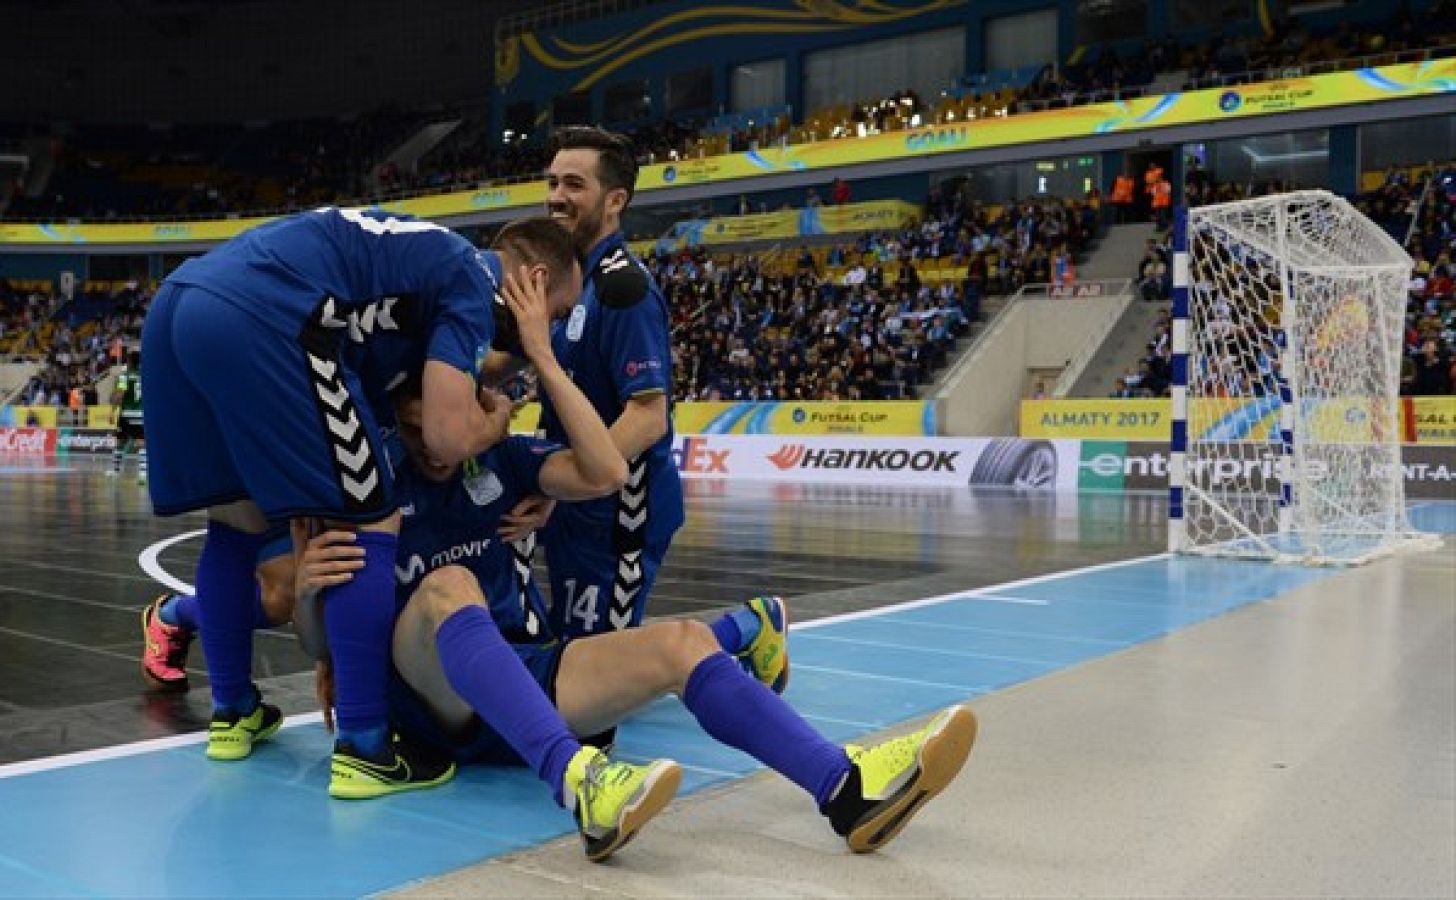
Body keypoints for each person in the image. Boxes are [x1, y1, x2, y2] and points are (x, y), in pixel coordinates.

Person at [297, 377, 975, 858]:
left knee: (680, 641)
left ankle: (844, 788)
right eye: (414, 427)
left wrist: (540, 354)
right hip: (429, 698)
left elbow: (607, 469)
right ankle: (580, 783)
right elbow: (310, 632)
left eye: (444, 423)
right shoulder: (372, 483)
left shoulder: (498, 456)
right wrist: (307, 598)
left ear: (477, 409)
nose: (432, 443)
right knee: (451, 585)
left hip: (519, 673)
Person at [139, 208, 570, 795]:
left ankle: (233, 709)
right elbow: (445, 435)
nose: (555, 328)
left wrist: (338, 647)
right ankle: (366, 747)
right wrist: (494, 428)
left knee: (235, 520)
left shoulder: (415, 272)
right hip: (269, 313)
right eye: (560, 313)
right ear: (535, 283)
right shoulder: (470, 275)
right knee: (371, 516)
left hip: (181, 303)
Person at [528, 125, 685, 639]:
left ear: (615, 199)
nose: (556, 198)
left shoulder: (624, 288)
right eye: (552, 183)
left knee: (594, 668)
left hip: (620, 517)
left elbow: (647, 415)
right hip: (575, 507)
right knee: (562, 652)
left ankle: (745, 629)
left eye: (574, 185)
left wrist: (570, 485)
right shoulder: (573, 281)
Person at [109, 349, 146, 482]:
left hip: (126, 414)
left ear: (129, 361)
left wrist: (112, 410)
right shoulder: (145, 375)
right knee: (141, 443)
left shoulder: (125, 376)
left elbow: (120, 395)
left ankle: (115, 470)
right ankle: (143, 474)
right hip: (141, 413)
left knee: (120, 441)